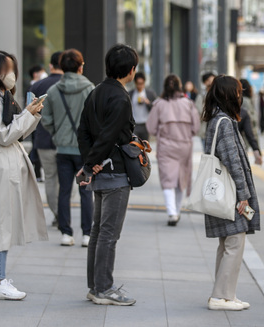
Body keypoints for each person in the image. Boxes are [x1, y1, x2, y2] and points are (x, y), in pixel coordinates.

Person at [0, 50, 47, 300]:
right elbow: (5, 135)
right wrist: (28, 114)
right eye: (8, 69)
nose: (12, 74)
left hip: (2, 166)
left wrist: (29, 113)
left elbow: (14, 130)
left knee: (1, 222)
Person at [78, 44, 138, 306]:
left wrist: (90, 162)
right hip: (115, 174)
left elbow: (83, 132)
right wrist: (95, 162)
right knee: (109, 235)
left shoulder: (95, 92)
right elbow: (109, 135)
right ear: (131, 70)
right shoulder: (121, 98)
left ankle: (95, 286)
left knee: (98, 232)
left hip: (102, 172)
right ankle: (104, 289)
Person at [200, 75, 260, 311]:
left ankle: (225, 294)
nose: (240, 95)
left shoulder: (216, 118)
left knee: (227, 244)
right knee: (235, 243)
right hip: (231, 192)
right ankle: (221, 297)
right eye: (237, 91)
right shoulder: (224, 122)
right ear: (228, 94)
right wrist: (243, 194)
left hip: (223, 191)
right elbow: (232, 160)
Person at [42, 49, 95, 247]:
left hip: (63, 151)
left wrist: (56, 133)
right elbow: (95, 119)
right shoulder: (89, 88)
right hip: (83, 153)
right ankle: (87, 234)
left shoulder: (54, 91)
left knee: (64, 191)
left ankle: (66, 233)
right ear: (81, 67)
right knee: (85, 190)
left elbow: (45, 119)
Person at [146, 75, 200, 226]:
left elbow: (151, 127)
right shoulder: (188, 104)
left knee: (167, 179)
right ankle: (177, 210)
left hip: (166, 146)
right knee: (181, 179)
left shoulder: (159, 104)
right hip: (184, 145)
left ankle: (172, 213)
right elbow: (196, 127)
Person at [30, 51, 63, 227]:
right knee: (67, 179)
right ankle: (63, 213)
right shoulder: (69, 85)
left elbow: (28, 111)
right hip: (67, 141)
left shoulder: (37, 85)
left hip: (43, 139)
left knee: (50, 178)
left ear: (50, 66)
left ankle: (57, 213)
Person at [127, 72, 157, 141]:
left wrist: (148, 103)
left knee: (145, 146)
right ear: (135, 83)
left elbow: (155, 108)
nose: (140, 85)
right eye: (138, 83)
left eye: (142, 83)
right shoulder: (130, 94)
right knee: (135, 145)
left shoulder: (150, 93)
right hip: (134, 125)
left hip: (145, 124)